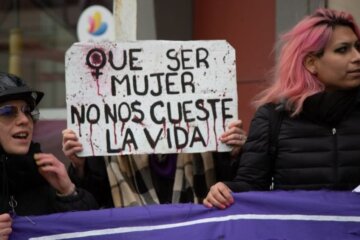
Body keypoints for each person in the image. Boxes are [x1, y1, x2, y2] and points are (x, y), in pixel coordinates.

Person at [203, 8, 360, 209]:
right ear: (311, 63)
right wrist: (224, 191)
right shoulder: (272, 118)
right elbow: (250, 186)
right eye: (343, 49)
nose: (357, 56)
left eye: (358, 46)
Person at [62, 119, 247, 208]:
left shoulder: (208, 134)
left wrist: (233, 154)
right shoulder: (109, 141)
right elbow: (94, 203)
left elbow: (237, 187)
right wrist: (81, 166)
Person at [0, 72, 98, 239]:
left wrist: (69, 192)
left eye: (28, 111)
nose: (24, 120)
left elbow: (96, 231)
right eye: (9, 111)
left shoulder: (46, 175)